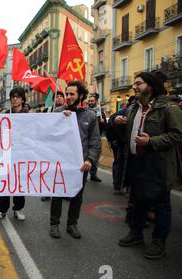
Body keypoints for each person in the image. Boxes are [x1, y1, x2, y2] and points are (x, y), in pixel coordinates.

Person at [117, 72, 182, 259]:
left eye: (138, 83)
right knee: (137, 200)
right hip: (137, 162)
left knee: (162, 205)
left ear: (150, 86)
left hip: (158, 165)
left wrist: (151, 141)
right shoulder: (133, 108)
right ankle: (136, 234)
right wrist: (117, 120)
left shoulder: (169, 108)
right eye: (134, 83)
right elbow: (120, 123)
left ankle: (158, 242)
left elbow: (177, 134)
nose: (134, 86)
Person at [49, 81, 101, 239]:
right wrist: (59, 118)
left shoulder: (91, 116)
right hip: (61, 162)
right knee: (57, 194)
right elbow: (47, 133)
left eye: (72, 94)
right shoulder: (58, 111)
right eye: (67, 94)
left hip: (80, 165)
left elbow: (95, 141)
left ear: (81, 96)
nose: (68, 97)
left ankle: (72, 224)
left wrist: (90, 160)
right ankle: (54, 224)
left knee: (77, 195)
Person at [0, 87, 27, 222]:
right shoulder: (5, 114)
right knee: (5, 183)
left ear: (22, 99)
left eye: (17, 97)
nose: (14, 99)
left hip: (22, 154)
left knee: (19, 183)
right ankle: (2, 210)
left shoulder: (30, 115)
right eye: (12, 96)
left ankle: (18, 208)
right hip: (6, 154)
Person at [86, 93, 103, 183]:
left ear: (96, 102)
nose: (90, 102)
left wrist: (102, 121)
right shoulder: (86, 112)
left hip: (96, 137)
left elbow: (104, 127)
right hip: (87, 137)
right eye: (89, 101)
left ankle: (93, 174)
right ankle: (84, 174)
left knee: (94, 157)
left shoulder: (100, 112)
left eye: (92, 101)